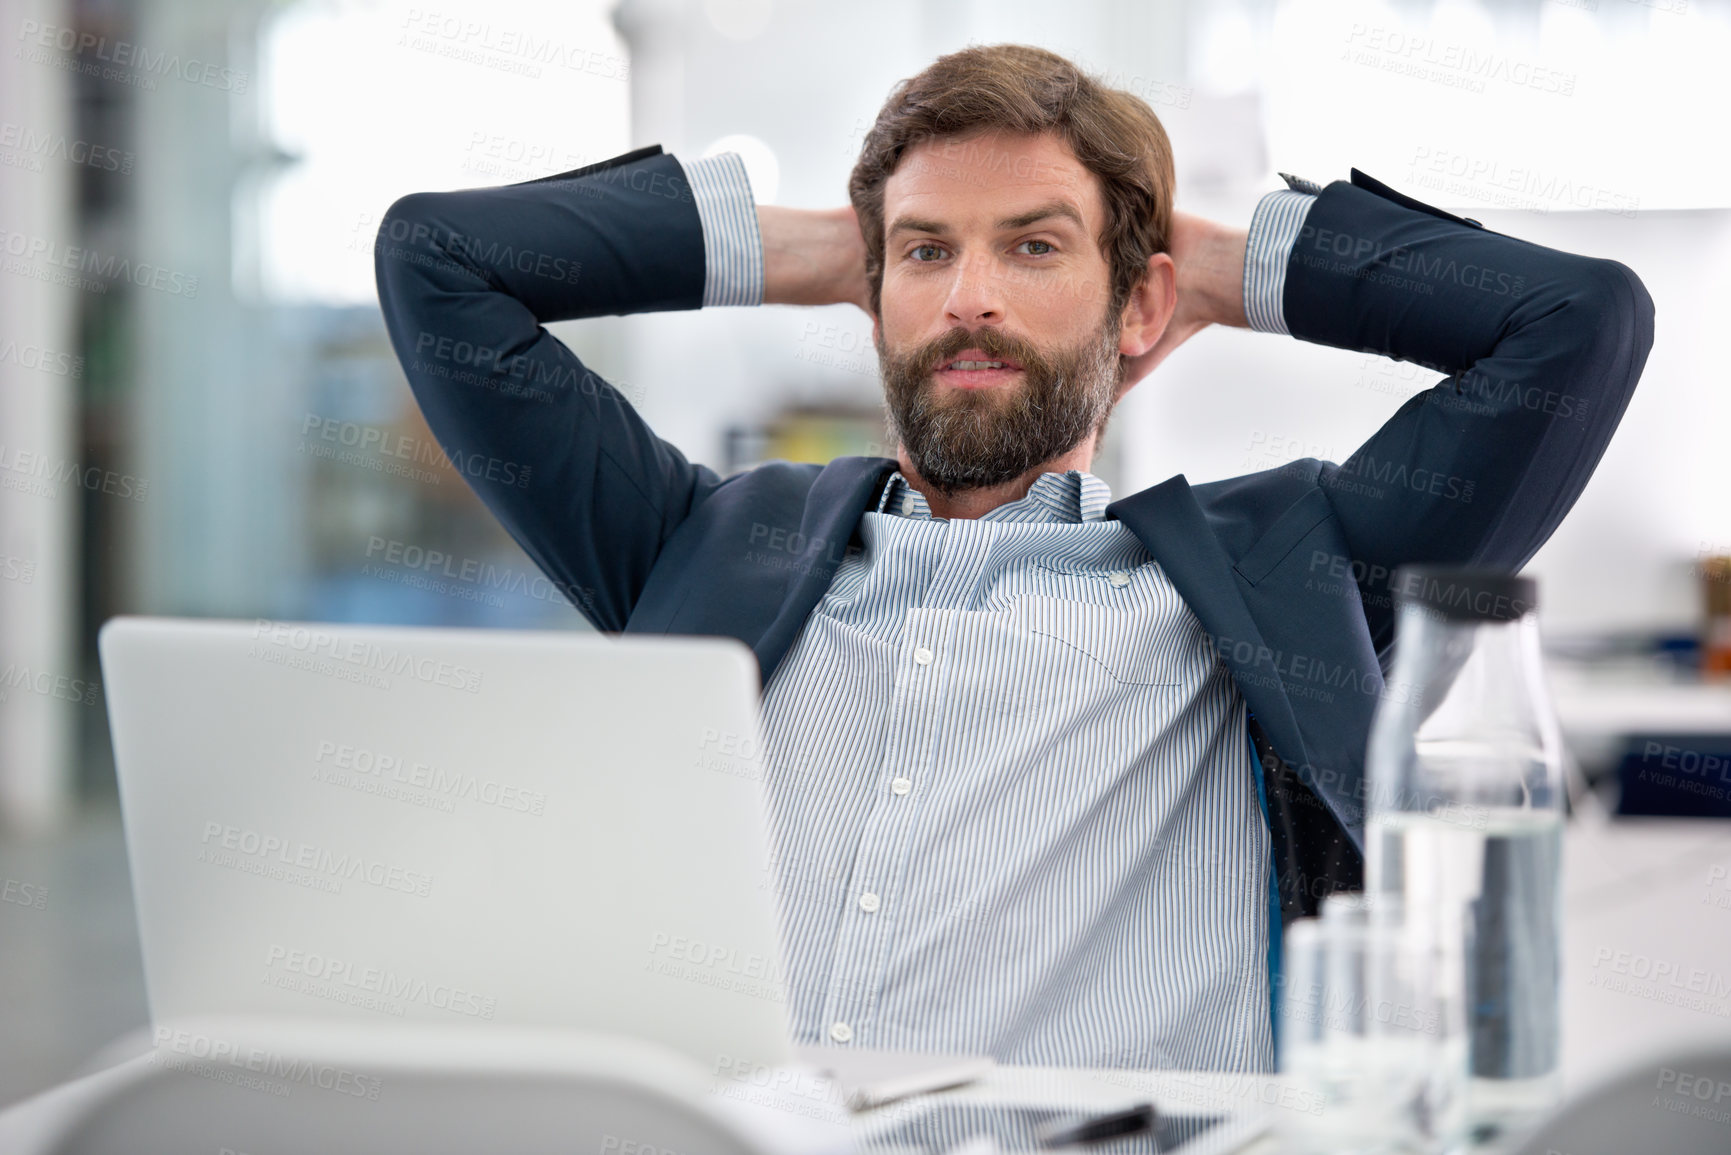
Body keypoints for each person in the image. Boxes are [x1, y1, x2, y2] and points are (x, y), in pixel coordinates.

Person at [373, 44, 1653, 1071]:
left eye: (1034, 247)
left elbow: (1574, 323)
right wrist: (833, 252)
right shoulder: (698, 546)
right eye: (929, 252)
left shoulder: (1291, 566)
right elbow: (439, 262)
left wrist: (1209, 267)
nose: (966, 297)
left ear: (1138, 302)